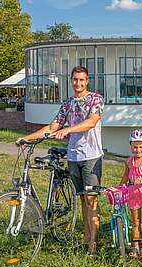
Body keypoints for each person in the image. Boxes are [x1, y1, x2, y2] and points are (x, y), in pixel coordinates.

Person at [17, 66, 104, 255]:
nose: (78, 83)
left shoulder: (95, 99)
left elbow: (92, 121)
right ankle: (86, 237)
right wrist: (27, 138)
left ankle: (93, 245)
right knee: (82, 198)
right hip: (74, 157)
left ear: (87, 81)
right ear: (71, 81)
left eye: (82, 80)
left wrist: (68, 130)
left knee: (92, 200)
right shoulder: (67, 104)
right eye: (75, 79)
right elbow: (51, 126)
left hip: (91, 156)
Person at [119, 129, 142, 258]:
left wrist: (140, 180)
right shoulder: (129, 161)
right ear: (131, 146)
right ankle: (135, 246)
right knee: (135, 223)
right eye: (135, 147)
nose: (138, 150)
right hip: (134, 195)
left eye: (141, 147)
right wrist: (119, 187)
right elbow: (125, 176)